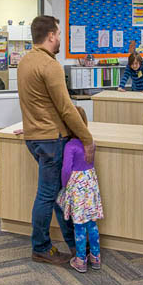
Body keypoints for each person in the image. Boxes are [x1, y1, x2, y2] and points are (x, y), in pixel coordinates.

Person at [18, 15, 96, 266]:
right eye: (59, 34)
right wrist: (87, 138)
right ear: (51, 35)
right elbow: (65, 108)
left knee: (59, 194)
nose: (60, 38)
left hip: (35, 137)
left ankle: (75, 244)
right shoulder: (50, 65)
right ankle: (41, 247)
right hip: (52, 140)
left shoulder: (25, 61)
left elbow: (35, 102)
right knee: (49, 195)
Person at [57, 106, 104, 273]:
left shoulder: (70, 146)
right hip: (91, 187)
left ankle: (81, 259)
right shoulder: (90, 142)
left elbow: (66, 170)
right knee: (92, 224)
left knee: (79, 226)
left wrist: (64, 186)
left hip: (77, 189)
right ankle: (96, 257)